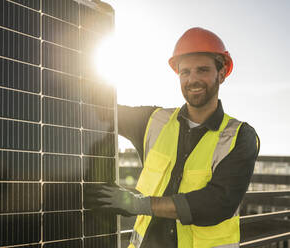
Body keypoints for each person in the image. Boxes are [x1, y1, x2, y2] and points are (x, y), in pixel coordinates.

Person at [84, 27, 260, 248]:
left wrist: (139, 204)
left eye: (202, 70)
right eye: (185, 72)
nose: (192, 79)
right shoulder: (154, 120)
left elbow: (218, 203)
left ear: (222, 73)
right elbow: (103, 110)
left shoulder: (239, 136)